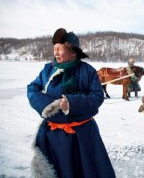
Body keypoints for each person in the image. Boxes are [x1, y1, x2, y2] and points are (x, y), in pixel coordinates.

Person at [27, 28, 115, 178]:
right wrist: (48, 105)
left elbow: (97, 96)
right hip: (53, 136)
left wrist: (72, 103)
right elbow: (32, 88)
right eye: (54, 49)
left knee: (86, 171)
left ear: (73, 52)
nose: (55, 53)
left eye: (59, 49)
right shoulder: (48, 70)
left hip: (83, 135)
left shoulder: (87, 71)